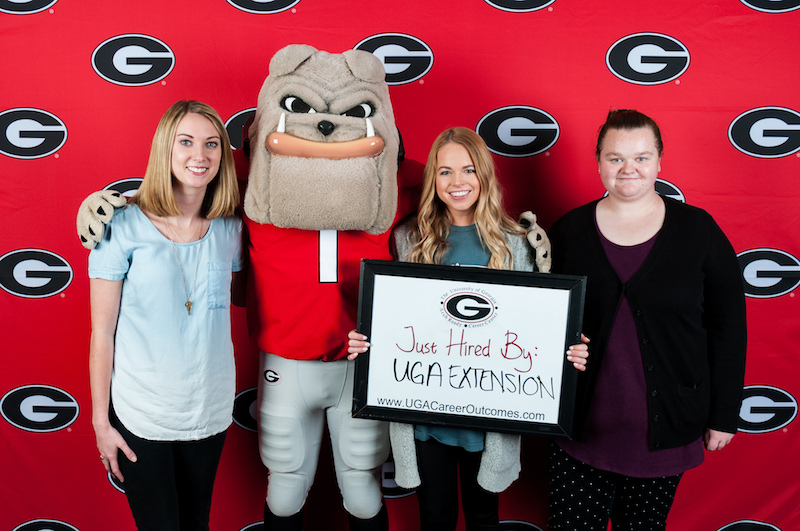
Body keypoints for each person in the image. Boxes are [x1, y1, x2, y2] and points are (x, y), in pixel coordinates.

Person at [347, 127, 589, 531]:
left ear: (485, 176)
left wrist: (566, 349)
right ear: (433, 181)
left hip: (488, 419)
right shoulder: (409, 238)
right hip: (424, 419)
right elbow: (397, 322)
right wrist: (368, 338)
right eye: (445, 172)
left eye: (468, 170)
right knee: (435, 517)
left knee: (482, 517)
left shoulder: (516, 243)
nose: (457, 182)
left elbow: (534, 330)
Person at [546, 109, 747, 530]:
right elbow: (541, 324)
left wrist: (724, 414)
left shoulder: (698, 231)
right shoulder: (568, 232)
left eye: (641, 157)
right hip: (581, 435)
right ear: (599, 161)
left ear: (659, 161)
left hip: (665, 435)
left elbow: (728, 327)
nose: (628, 169)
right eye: (615, 157)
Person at [88, 100, 244, 530]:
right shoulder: (120, 225)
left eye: (212, 144)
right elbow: (102, 333)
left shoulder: (230, 227)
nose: (201, 155)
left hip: (209, 412)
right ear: (165, 149)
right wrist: (101, 423)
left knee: (197, 523)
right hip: (142, 414)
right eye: (187, 142)